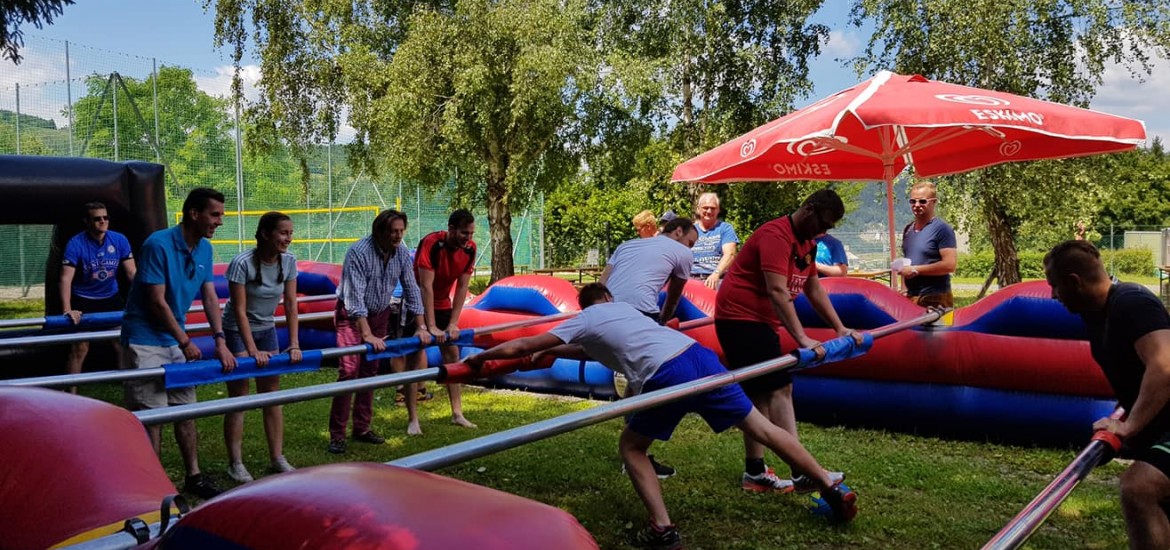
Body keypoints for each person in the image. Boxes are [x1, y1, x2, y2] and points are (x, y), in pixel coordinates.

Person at [464, 283, 857, 548]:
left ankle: (662, 528)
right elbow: (590, 350)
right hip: (699, 358)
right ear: (609, 298)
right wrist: (544, 356)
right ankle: (829, 485)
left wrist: (483, 356)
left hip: (666, 372)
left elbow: (527, 343)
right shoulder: (627, 312)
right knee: (762, 427)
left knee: (632, 447)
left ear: (585, 306)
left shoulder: (584, 319)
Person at [714, 189, 854, 494]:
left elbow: (814, 288)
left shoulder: (808, 243)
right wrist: (801, 337)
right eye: (823, 223)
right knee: (780, 388)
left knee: (758, 396)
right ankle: (802, 471)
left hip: (760, 323)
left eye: (829, 228)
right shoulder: (775, 235)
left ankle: (755, 473)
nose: (823, 231)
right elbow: (778, 291)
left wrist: (840, 328)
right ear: (808, 209)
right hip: (740, 319)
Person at [1044, 240, 1170, 549]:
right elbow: (1136, 373)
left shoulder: (1131, 302)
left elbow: (1165, 365)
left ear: (1074, 282)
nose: (1052, 295)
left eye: (1055, 286)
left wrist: (1129, 426)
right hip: (1160, 430)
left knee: (1139, 489)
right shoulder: (1097, 313)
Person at [121, 187, 235, 500]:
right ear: (193, 213)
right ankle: (150, 488)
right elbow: (156, 302)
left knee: (186, 410)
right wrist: (185, 341)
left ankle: (193, 477)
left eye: (221, 215)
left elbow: (210, 297)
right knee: (153, 415)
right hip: (145, 340)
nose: (219, 222)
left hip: (175, 338)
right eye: (215, 215)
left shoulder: (204, 249)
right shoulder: (157, 244)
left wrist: (220, 340)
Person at [600, 216, 699, 479]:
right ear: (678, 231)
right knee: (652, 381)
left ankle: (631, 452)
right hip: (640, 313)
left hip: (605, 311)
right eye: (690, 241)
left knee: (636, 380)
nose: (690, 248)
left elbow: (602, 282)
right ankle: (634, 454)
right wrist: (663, 322)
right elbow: (674, 295)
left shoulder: (627, 244)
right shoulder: (681, 253)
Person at [328, 209, 429, 454]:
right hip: (352, 317)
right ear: (380, 231)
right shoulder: (359, 252)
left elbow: (412, 289)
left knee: (370, 373)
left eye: (401, 231)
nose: (397, 236)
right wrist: (366, 334)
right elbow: (353, 298)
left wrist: (422, 325)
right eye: (393, 231)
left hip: (380, 314)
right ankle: (337, 435)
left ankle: (362, 428)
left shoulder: (402, 252)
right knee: (350, 372)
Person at [221, 212, 301, 482]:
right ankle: (235, 462)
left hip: (266, 328)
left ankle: (277, 457)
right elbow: (240, 311)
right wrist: (252, 350)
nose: (288, 238)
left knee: (272, 396)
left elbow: (291, 304)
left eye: (290, 233)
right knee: (240, 396)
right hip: (237, 329)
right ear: (266, 234)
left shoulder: (288, 262)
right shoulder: (242, 263)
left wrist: (293, 343)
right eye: (283, 233)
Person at [60, 202, 136, 393]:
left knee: (121, 344)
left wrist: (145, 299)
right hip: (84, 299)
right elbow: (65, 278)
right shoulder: (76, 243)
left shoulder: (119, 240)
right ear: (87, 222)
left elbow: (132, 273)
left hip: (111, 297)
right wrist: (67, 309)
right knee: (80, 348)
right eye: (97, 218)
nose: (102, 221)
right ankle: (70, 395)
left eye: (105, 217)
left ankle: (130, 390)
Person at [413, 209, 478, 431]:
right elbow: (425, 286)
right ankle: (413, 419)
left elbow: (462, 287)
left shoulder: (470, 249)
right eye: (463, 233)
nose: (468, 238)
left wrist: (453, 322)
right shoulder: (432, 243)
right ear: (450, 229)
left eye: (470, 233)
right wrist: (430, 325)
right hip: (417, 303)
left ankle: (457, 413)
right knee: (415, 353)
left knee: (453, 356)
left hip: (442, 304)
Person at [898, 181, 957, 308]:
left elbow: (949, 265)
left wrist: (916, 270)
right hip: (912, 297)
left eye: (922, 201)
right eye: (912, 201)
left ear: (934, 202)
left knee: (939, 328)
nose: (917, 205)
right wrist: (904, 289)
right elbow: (907, 262)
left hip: (936, 298)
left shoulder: (942, 229)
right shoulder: (908, 229)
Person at [690, 193, 739, 289]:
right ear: (698, 209)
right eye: (705, 208)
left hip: (717, 279)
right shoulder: (689, 230)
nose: (709, 211)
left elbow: (730, 254)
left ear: (718, 210)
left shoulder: (725, 228)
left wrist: (716, 274)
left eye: (713, 208)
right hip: (691, 278)